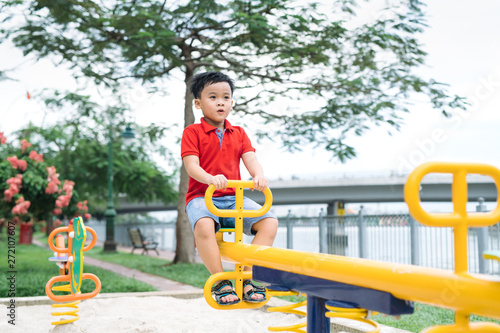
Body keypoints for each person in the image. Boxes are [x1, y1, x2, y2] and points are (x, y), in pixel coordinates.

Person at [181, 71, 279, 305]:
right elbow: (191, 166)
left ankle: (246, 277)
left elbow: (251, 158)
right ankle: (220, 280)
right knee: (204, 225)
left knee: (269, 222)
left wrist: (259, 175)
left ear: (232, 103)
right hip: (202, 196)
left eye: (226, 97)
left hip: (234, 197)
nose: (220, 102)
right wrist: (210, 178)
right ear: (198, 103)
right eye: (213, 97)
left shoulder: (239, 133)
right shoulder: (192, 132)